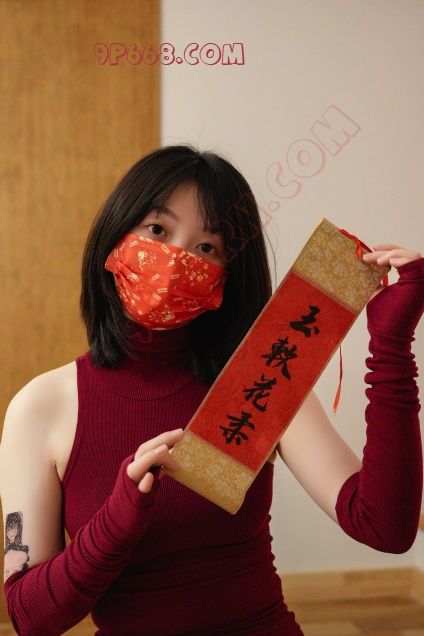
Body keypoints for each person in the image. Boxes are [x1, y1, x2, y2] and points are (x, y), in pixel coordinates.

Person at [0, 145, 423, 636]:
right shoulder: (42, 406)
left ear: (225, 279)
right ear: (114, 239)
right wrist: (116, 522)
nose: (177, 260)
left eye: (207, 248)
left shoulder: (260, 378)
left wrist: (391, 348)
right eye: (157, 230)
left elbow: (384, 527)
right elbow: (30, 617)